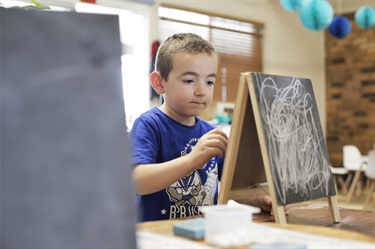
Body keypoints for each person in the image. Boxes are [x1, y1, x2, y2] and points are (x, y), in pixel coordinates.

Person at [130, 33, 272, 222]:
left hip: (202, 233)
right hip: (158, 236)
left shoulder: (210, 133)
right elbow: (137, 181)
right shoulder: (149, 125)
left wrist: (257, 200)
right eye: (189, 80)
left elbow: (229, 186)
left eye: (210, 82)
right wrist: (192, 160)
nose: (201, 91)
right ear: (159, 83)